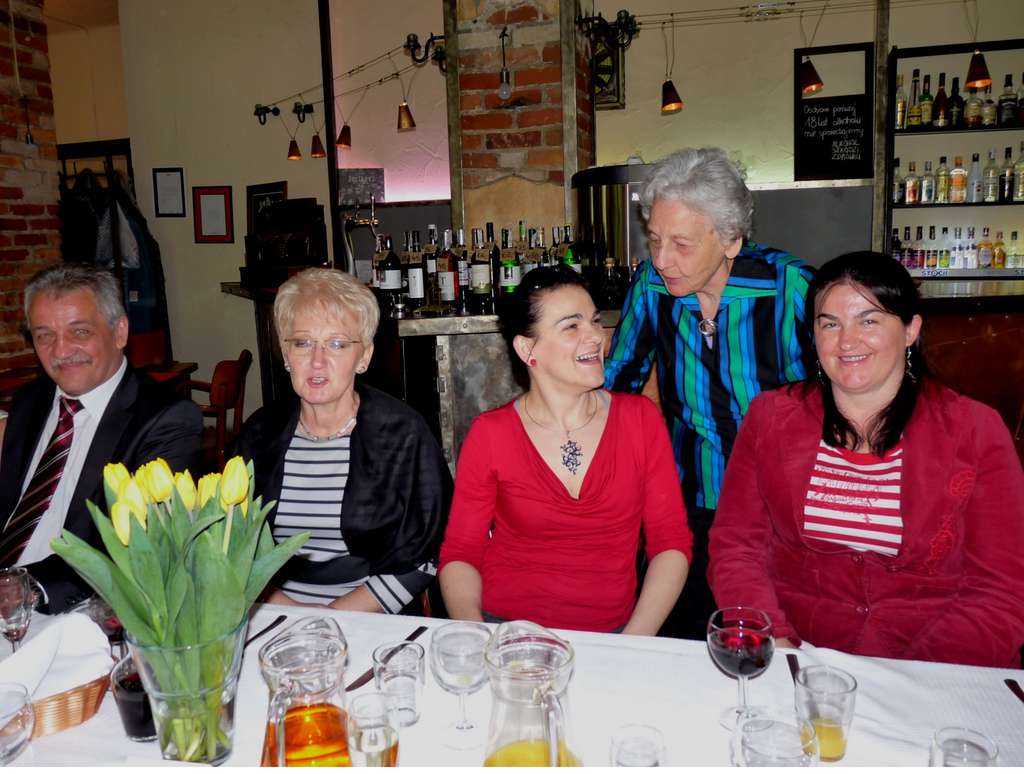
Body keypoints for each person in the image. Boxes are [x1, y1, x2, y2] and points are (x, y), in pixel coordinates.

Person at [708, 252, 1024, 668]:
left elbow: (1000, 591)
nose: (847, 341)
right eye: (830, 324)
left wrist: (912, 679)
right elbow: (736, 548)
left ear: (910, 329)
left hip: (935, 667)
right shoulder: (770, 417)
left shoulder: (976, 430)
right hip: (797, 655)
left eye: (868, 321)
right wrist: (778, 647)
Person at [604, 147, 814, 639]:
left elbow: (833, 400)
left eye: (681, 244)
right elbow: (619, 382)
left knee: (777, 639)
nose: (662, 260)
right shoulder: (652, 285)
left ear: (731, 239)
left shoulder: (790, 287)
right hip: (692, 498)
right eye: (655, 240)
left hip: (782, 506)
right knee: (685, 640)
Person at [439, 266, 692, 634]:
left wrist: (633, 642)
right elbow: (461, 553)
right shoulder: (491, 434)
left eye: (594, 321)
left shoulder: (640, 420)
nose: (597, 336)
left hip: (613, 636)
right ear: (527, 349)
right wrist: (477, 636)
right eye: (572, 326)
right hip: (508, 633)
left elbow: (670, 543)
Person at [235, 268, 451, 613]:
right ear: (285, 354)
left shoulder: (403, 434)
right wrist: (291, 612)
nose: (317, 361)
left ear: (363, 356)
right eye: (302, 343)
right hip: (272, 609)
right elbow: (232, 546)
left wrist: (333, 618)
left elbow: (423, 554)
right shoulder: (259, 434)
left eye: (337, 344)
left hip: (372, 612)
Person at [0, 263, 202, 613]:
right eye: (44, 335)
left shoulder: (166, 419)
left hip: (68, 610)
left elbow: (132, 546)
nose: (61, 351)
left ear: (120, 332)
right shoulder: (29, 401)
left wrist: (23, 589)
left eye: (79, 332)